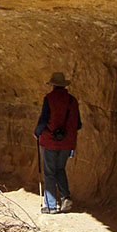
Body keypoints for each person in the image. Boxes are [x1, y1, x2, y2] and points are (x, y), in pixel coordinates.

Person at [34, 72, 82, 213]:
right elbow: (78, 124)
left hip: (49, 141)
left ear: (53, 85)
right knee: (60, 169)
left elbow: (44, 119)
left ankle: (51, 205)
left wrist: (37, 132)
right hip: (67, 143)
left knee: (49, 172)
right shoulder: (72, 101)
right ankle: (65, 197)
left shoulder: (49, 99)